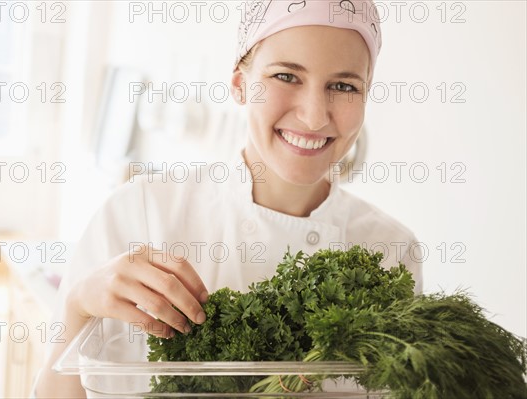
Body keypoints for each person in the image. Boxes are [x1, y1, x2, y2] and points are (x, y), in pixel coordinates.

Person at [35, 1, 423, 397]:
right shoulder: (140, 211)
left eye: (344, 86)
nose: (313, 116)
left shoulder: (391, 251)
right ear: (240, 85)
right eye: (286, 75)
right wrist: (76, 307)